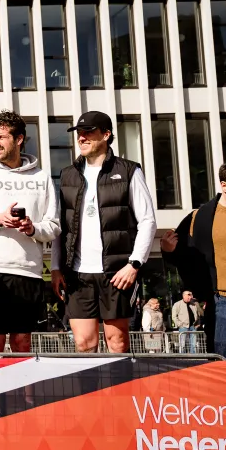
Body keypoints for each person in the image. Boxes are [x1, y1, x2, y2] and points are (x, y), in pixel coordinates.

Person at [51, 112, 157, 354]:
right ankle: (91, 382)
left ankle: (119, 382)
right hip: (77, 274)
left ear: (106, 134)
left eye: (88, 132)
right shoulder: (68, 175)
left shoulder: (129, 170)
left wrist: (134, 264)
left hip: (116, 273)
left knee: (117, 342)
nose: (81, 138)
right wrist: (56, 267)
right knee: (83, 344)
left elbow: (148, 221)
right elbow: (60, 227)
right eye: (79, 133)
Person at [0, 111, 60, 353]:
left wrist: (33, 228)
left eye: (2, 137)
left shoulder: (41, 177)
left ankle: (23, 382)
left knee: (22, 343)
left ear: (19, 139)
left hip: (29, 272)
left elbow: (54, 226)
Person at [161, 160, 226, 361]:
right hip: (223, 304)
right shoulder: (199, 218)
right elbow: (185, 259)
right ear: (224, 185)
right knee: (223, 366)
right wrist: (168, 251)